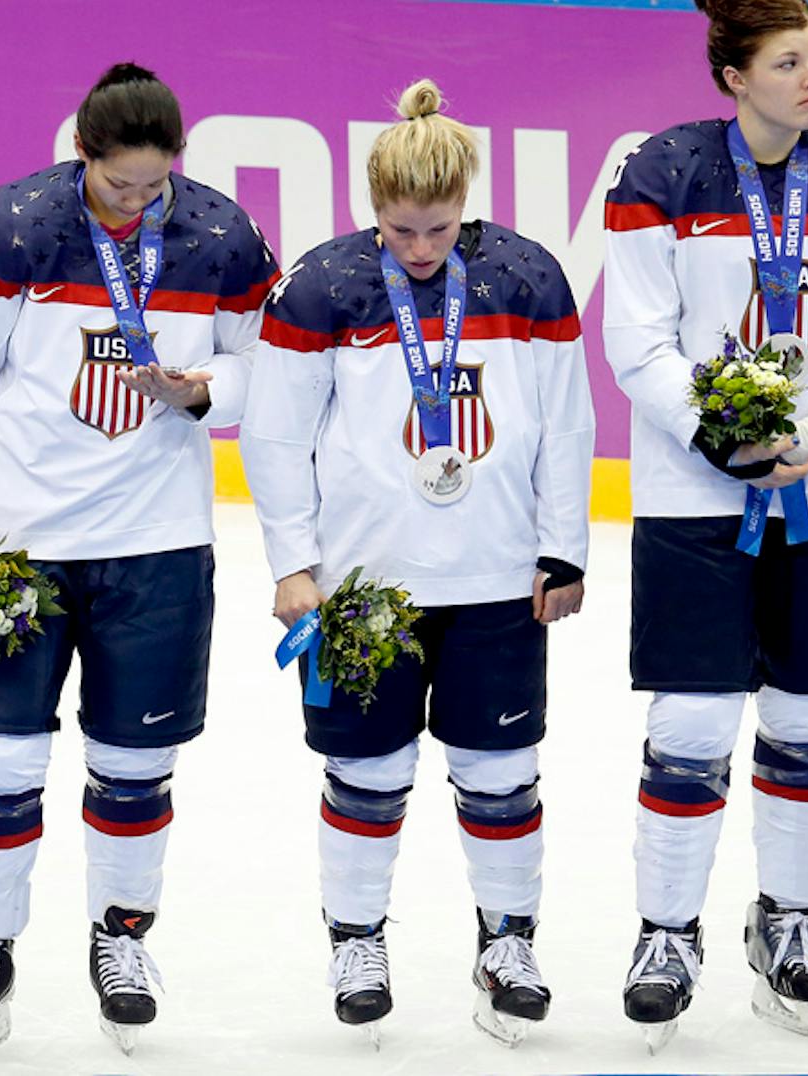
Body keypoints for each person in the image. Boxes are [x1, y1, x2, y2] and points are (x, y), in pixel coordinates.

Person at [0, 63, 278, 1060]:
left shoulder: (219, 235)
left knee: (134, 763)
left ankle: (121, 936)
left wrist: (205, 386)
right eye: (120, 184)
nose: (136, 200)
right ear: (83, 154)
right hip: (15, 546)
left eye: (153, 184)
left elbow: (276, 366)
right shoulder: (11, 228)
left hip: (157, 545)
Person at [601, 0, 808, 1049]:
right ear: (733, 75)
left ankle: (787, 919)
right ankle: (666, 932)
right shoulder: (661, 175)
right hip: (694, 496)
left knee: (806, 719)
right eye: (787, 60)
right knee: (692, 727)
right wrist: (717, 435)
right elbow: (637, 339)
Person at [242, 79, 594, 1048]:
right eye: (401, 230)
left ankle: (508, 940)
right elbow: (273, 436)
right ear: (374, 205)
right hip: (362, 587)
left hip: (495, 580)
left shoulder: (527, 278)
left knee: (501, 772)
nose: (422, 248)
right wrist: (293, 562)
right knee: (366, 770)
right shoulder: (322, 284)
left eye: (438, 229)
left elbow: (566, 422)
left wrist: (565, 545)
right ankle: (356, 939)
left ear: (465, 200)